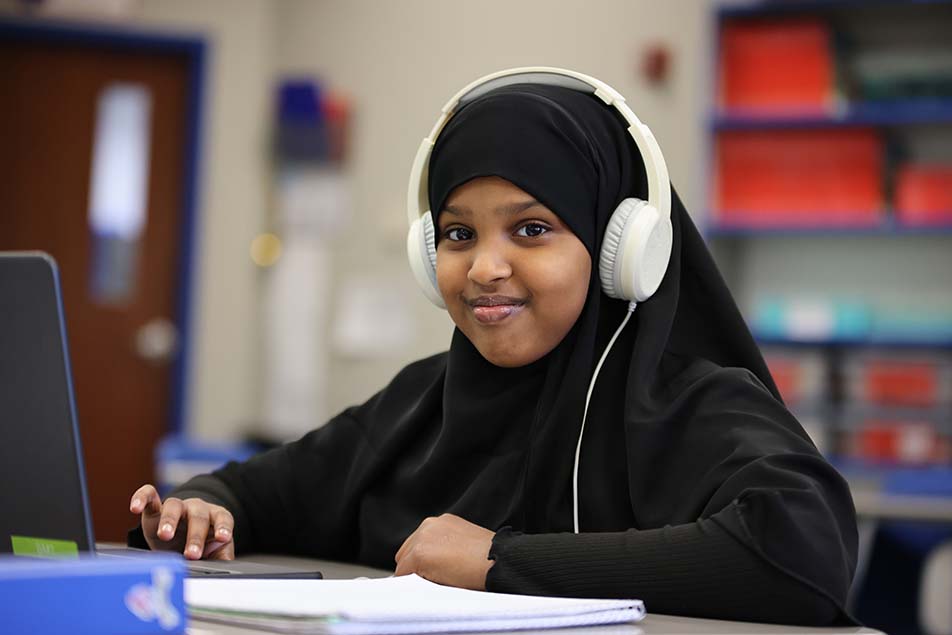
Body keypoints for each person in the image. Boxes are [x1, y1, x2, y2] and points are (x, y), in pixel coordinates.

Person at [128, 69, 858, 625]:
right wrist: (202, 508)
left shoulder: (689, 401)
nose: (483, 267)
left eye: (531, 229)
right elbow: (262, 491)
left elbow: (803, 547)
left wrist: (499, 560)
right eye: (457, 233)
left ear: (617, 247)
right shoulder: (421, 401)